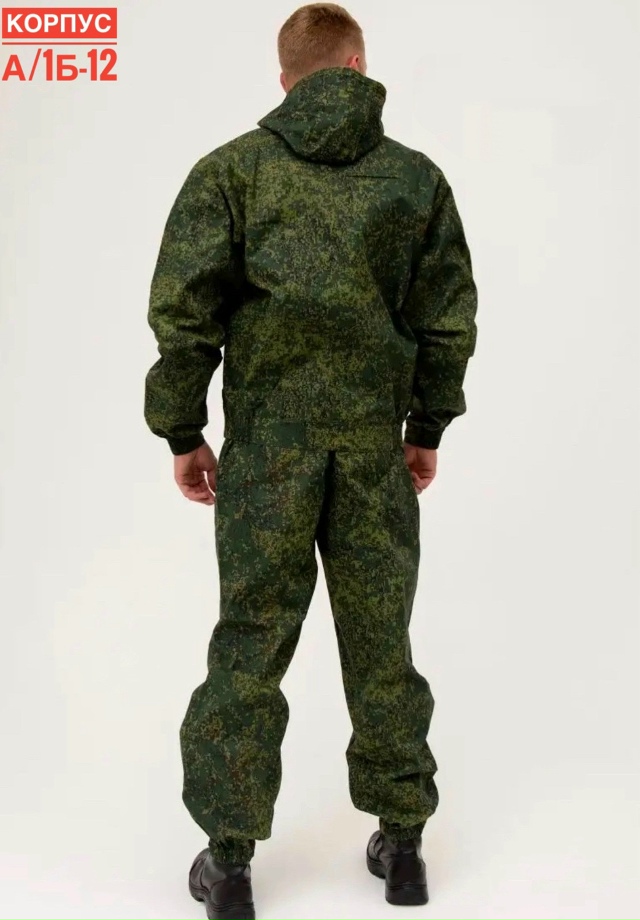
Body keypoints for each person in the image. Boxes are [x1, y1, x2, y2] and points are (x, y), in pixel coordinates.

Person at [144, 3, 477, 917]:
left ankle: (230, 864)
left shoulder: (232, 172)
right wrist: (425, 428)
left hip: (267, 459)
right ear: (357, 65)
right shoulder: (416, 181)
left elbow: (184, 315)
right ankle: (403, 847)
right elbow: (448, 319)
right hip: (372, 452)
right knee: (382, 643)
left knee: (250, 644)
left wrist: (182, 431)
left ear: (286, 80)